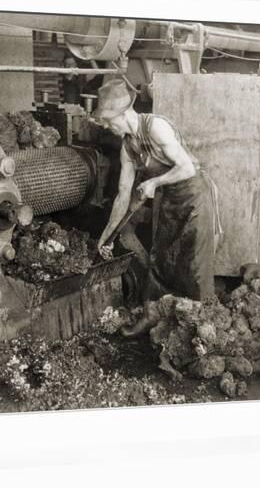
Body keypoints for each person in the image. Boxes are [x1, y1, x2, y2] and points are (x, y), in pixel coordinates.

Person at [94, 79, 222, 336]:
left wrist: (155, 181)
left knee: (194, 264)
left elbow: (186, 168)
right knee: (160, 258)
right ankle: (152, 315)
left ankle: (200, 333)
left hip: (194, 196)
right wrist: (107, 236)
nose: (107, 126)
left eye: (109, 120)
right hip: (168, 199)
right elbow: (122, 196)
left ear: (124, 113)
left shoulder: (156, 127)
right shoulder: (128, 146)